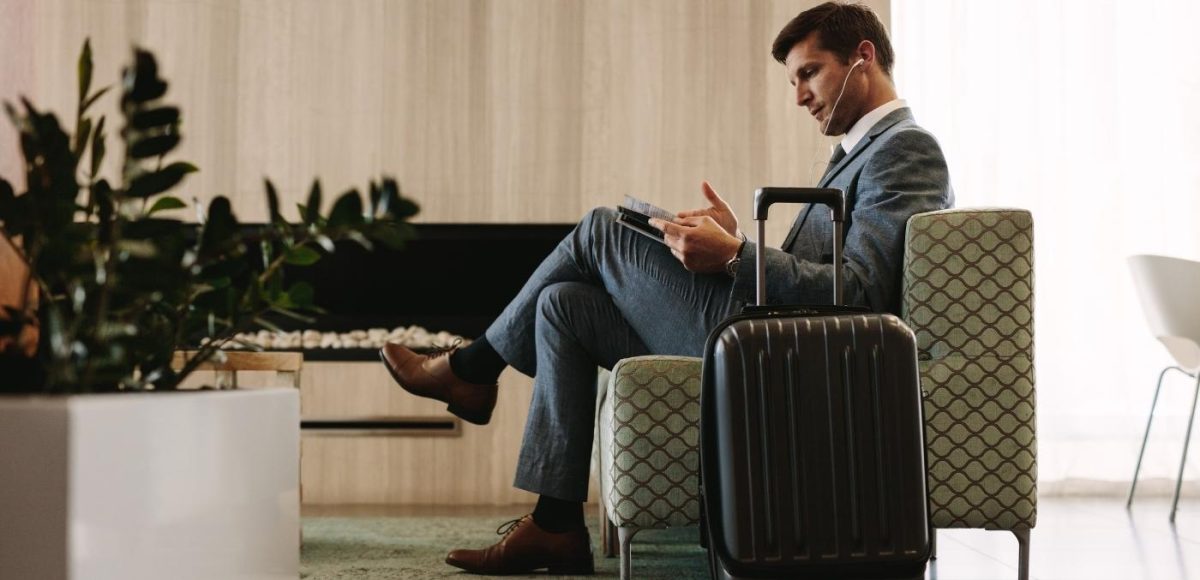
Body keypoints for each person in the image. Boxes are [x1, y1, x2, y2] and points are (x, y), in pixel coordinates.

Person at [379, 1, 954, 575]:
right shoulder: (857, 153)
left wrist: (735, 257)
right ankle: (555, 523)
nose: (799, 95)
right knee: (563, 305)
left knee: (600, 231)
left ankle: (473, 370)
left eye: (809, 72)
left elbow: (862, 293)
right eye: (795, 79)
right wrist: (735, 242)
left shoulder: (905, 149)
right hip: (766, 337)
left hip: (775, 356)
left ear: (864, 57)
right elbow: (826, 274)